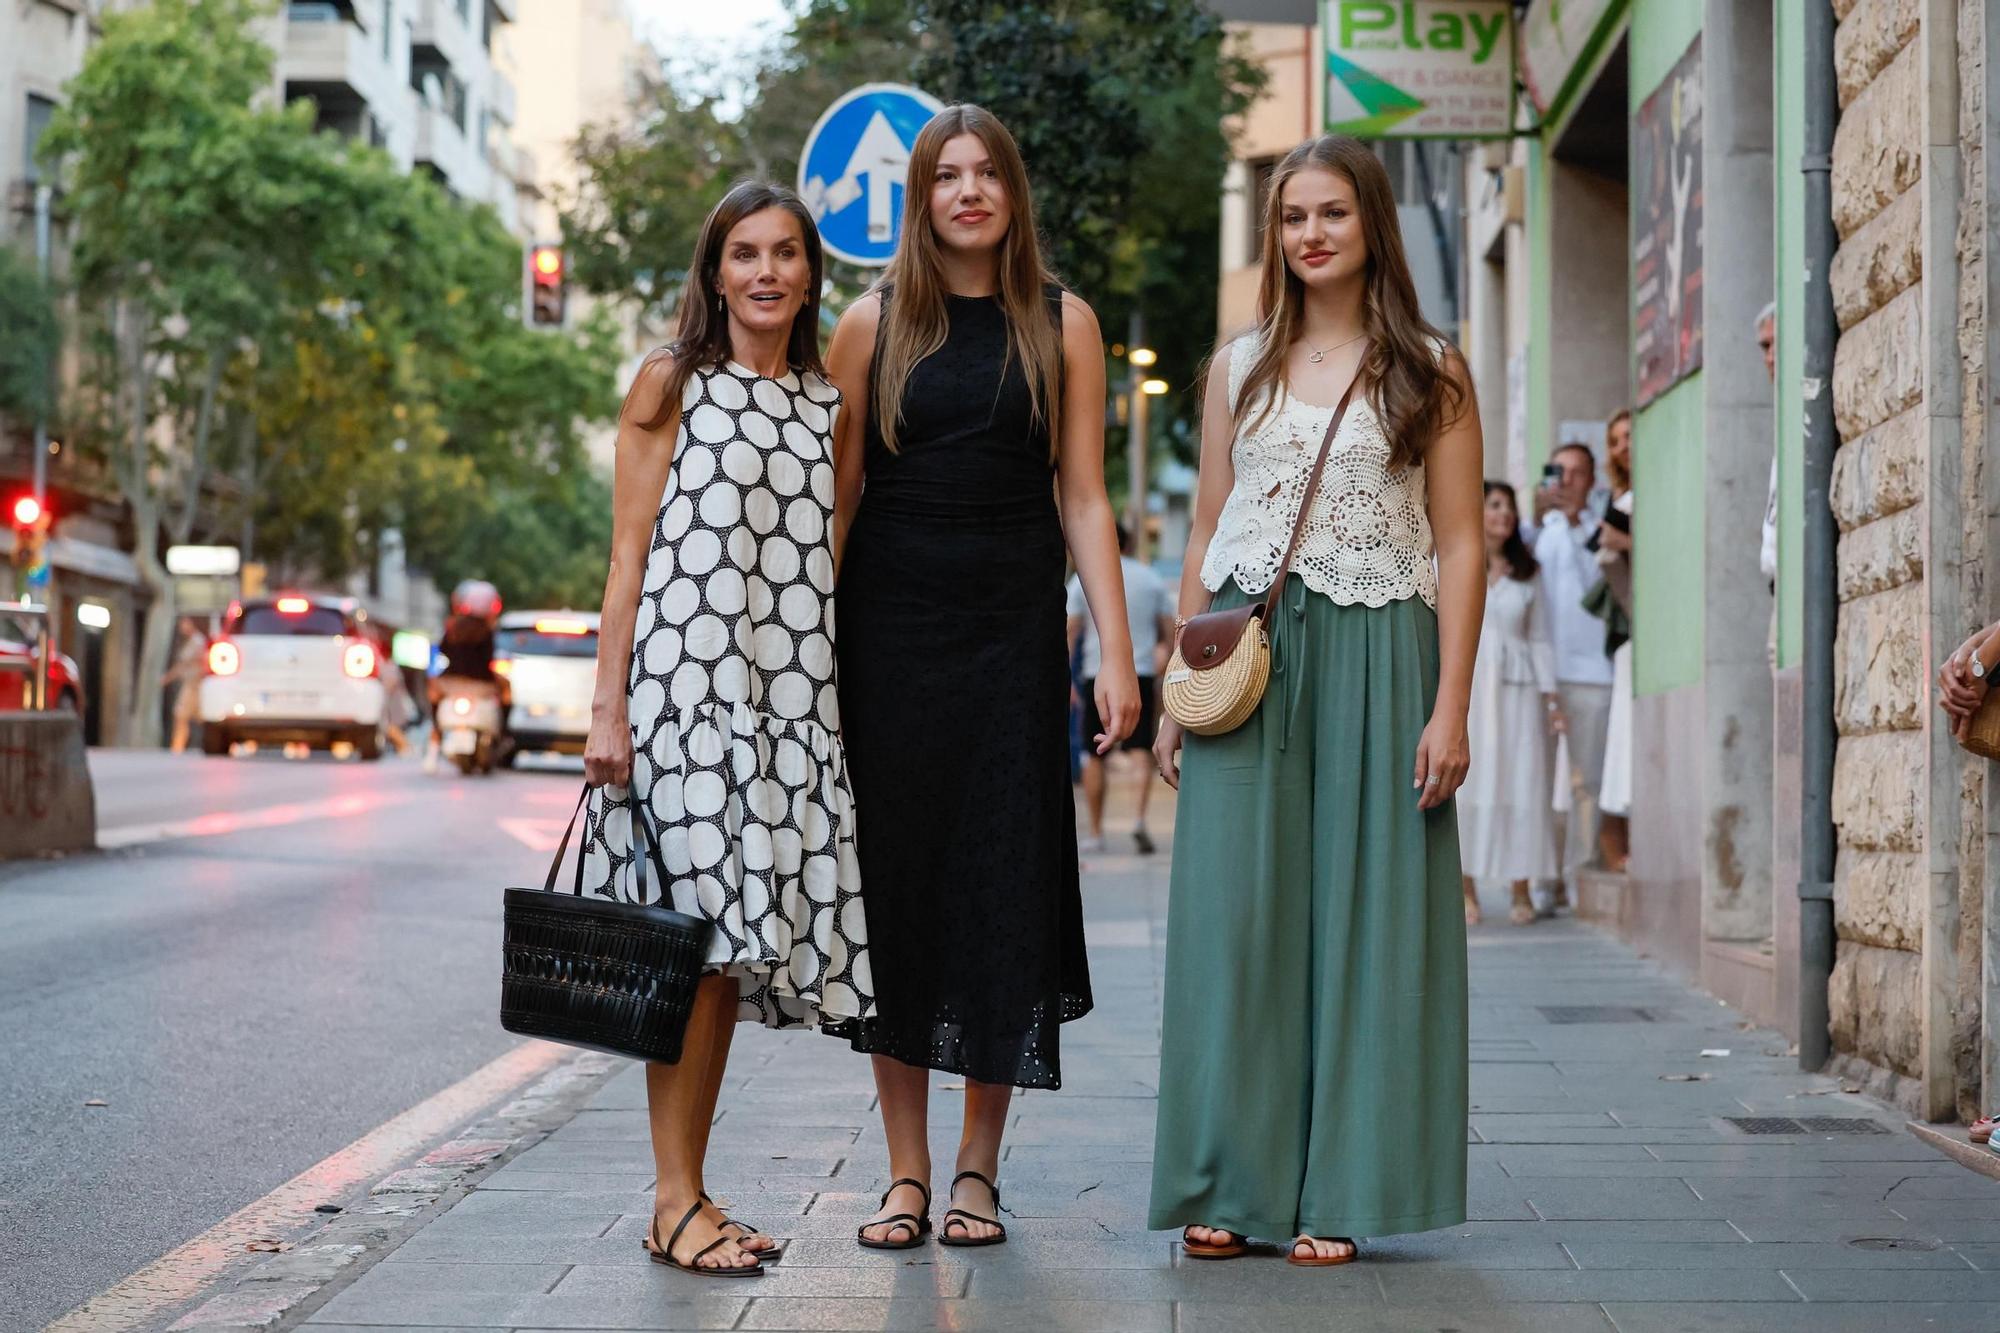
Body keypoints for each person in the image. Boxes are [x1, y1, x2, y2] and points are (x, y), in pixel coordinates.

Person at [1149, 134, 1483, 1267]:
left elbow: (1456, 543)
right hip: (1244, 661)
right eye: (1291, 217)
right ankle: (1230, 1179)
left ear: (1369, 223)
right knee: (1233, 923)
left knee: (1365, 922)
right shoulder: (1234, 365)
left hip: (1383, 649)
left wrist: (1451, 706)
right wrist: (1172, 687)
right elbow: (1205, 527)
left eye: (1330, 213)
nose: (1309, 234)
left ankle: (1340, 1182)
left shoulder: (1428, 365)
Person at [825, 104, 1139, 1251]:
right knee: (898, 900)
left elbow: (1084, 495)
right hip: (888, 642)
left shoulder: (1064, 323)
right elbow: (840, 498)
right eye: (944, 175)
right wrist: (804, 657)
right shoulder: (868, 325)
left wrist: (1110, 644)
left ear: (1011, 191)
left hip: (1013, 638)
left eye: (985, 173)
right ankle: (903, 1173)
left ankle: (975, 1169)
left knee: (999, 893)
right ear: (919, 198)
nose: (966, 191)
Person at [577, 180, 873, 1278]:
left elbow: (826, 553)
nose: (764, 272)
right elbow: (626, 553)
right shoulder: (671, 382)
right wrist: (607, 708)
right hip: (682, 698)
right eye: (742, 253)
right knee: (691, 946)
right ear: (713, 274)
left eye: (784, 253)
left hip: (786, 702)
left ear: (808, 271)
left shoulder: (823, 400)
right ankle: (671, 1198)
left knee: (724, 964)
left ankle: (686, 1194)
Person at [1460, 482, 1562, 927]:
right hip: (1471, 686)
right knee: (1471, 781)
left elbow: (1541, 638)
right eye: (1494, 505)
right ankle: (1465, 890)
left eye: (1509, 507)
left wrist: (1553, 697)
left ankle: (1521, 886)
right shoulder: (1451, 563)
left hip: (1518, 691)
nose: (1504, 514)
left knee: (1522, 780)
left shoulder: (1528, 572)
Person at [1531, 439, 1613, 890]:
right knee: (1539, 778)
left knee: (1587, 780)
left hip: (1590, 673)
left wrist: (1581, 523)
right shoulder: (1540, 533)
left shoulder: (1597, 532)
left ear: (1591, 480)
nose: (1565, 481)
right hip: (1543, 676)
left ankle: (1580, 873)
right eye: (1557, 471)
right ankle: (1544, 879)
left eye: (1575, 473)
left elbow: (1595, 589)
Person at [1067, 523, 1174, 854]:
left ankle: (1097, 833)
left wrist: (1067, 678)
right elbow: (1170, 632)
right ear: (1129, 544)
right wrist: (1163, 661)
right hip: (1138, 673)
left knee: (1093, 753)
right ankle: (1139, 819)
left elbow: (1069, 631)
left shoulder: (1081, 580)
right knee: (1141, 750)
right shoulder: (1150, 578)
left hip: (1093, 674)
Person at [1595, 410, 1634, 865]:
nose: (1623, 446)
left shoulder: (1646, 495)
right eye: (1615, 439)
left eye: (1629, 436)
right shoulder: (1617, 497)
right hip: (1621, 631)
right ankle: (1618, 848)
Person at [163, 617, 208, 754]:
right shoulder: (190, 642)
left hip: (196, 685)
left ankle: (178, 747)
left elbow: (202, 662)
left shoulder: (198, 641)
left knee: (189, 716)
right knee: (183, 716)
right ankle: (177, 746)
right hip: (190, 684)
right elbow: (182, 666)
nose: (182, 627)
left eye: (184, 623)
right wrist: (169, 677)